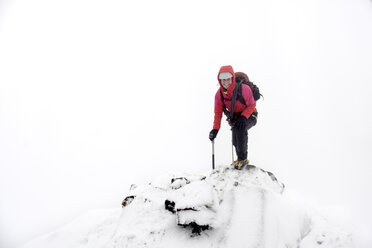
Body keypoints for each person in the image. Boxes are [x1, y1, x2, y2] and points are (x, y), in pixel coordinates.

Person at [209, 65, 258, 170]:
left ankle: (243, 159)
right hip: (236, 118)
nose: (225, 82)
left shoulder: (244, 89)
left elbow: (252, 105)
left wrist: (244, 117)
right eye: (223, 80)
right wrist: (215, 129)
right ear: (220, 80)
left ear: (232, 78)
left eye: (228, 79)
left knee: (240, 129)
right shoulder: (219, 95)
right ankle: (239, 159)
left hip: (251, 115)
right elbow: (218, 113)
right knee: (235, 138)